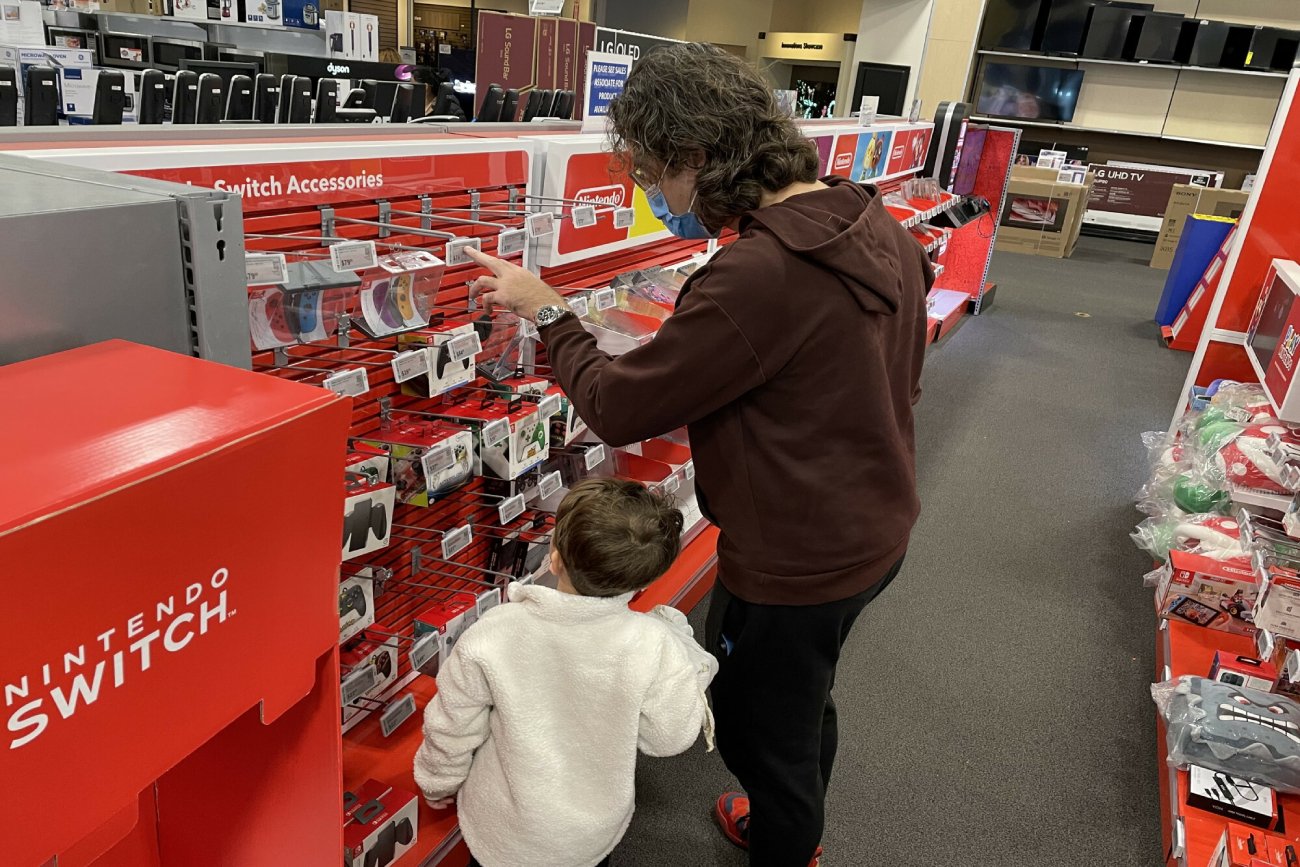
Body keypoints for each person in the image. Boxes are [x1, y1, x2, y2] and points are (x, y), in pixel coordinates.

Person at [463, 41, 930, 867]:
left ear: (697, 156)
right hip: (871, 522)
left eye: (653, 174)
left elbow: (618, 403)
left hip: (798, 555)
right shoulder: (869, 218)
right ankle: (791, 816)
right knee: (801, 693)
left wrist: (550, 313)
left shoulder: (757, 273)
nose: (653, 195)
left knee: (760, 724)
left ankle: (787, 846)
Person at [412, 478, 717, 867]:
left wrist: (438, 782)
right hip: (588, 835)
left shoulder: (496, 631)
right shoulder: (653, 645)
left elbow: (452, 723)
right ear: (643, 582)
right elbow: (669, 738)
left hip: (502, 829)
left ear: (554, 558)